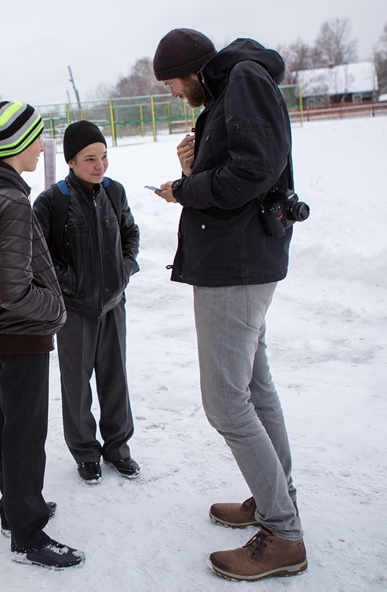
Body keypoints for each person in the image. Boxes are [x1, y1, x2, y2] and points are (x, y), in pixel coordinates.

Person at [152, 29, 308, 581]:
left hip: (235, 266)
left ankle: (283, 533)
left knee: (224, 402)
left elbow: (253, 170)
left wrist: (185, 189)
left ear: (190, 69)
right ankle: (273, 502)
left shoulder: (241, 80)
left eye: (170, 81)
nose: (170, 91)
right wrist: (196, 165)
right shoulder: (229, 88)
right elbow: (240, 165)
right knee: (253, 388)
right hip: (239, 260)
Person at [0, 100, 84, 569]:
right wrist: (55, 311)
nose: (43, 145)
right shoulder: (13, 204)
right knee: (25, 434)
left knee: (6, 425)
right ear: (17, 143)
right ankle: (28, 535)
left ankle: (14, 508)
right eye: (36, 137)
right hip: (20, 337)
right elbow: (15, 290)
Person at [33, 120, 141, 484]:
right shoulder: (52, 202)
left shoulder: (115, 192)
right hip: (75, 310)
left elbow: (130, 233)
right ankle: (85, 452)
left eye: (104, 157)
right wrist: (70, 285)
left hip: (113, 304)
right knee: (77, 383)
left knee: (115, 378)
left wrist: (124, 270)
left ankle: (118, 448)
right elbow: (40, 255)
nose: (100, 166)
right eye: (90, 159)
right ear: (71, 162)